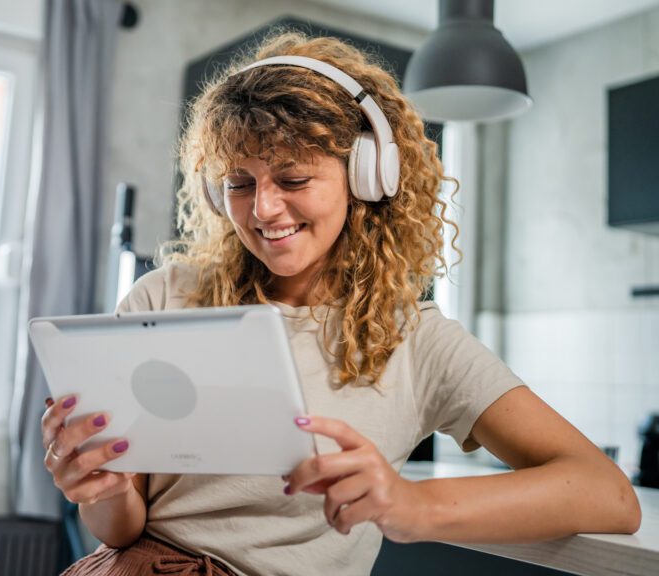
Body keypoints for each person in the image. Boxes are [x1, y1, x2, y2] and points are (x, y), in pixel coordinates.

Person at [40, 32, 641, 575]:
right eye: (239, 183)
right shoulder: (166, 296)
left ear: (366, 176)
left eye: (293, 180)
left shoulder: (419, 342)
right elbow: (121, 530)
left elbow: (608, 494)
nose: (262, 209)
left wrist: (413, 504)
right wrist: (103, 489)